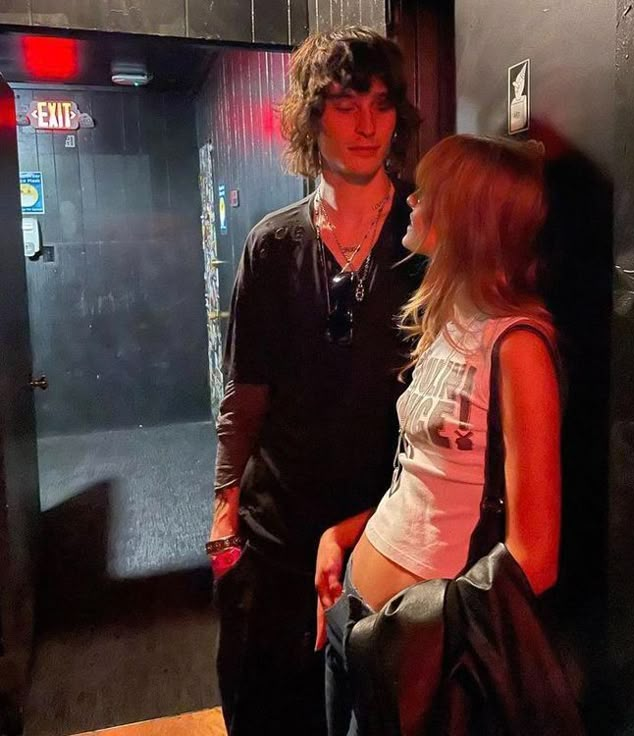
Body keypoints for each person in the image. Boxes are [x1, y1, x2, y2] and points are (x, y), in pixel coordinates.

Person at [206, 26, 421, 736]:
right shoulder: (273, 243)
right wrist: (222, 508)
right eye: (344, 103)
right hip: (278, 531)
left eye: (382, 105)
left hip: (388, 527)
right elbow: (247, 389)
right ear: (310, 116)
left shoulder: (430, 233)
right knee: (265, 708)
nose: (367, 124)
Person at [315, 134, 564, 736]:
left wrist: (416, 632)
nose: (411, 201)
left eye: (428, 193)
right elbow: (427, 484)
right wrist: (342, 535)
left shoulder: (517, 343)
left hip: (422, 650)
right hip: (358, 613)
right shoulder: (451, 322)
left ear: (466, 216)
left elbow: (535, 559)